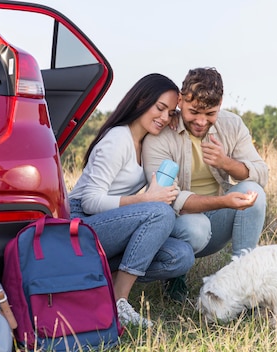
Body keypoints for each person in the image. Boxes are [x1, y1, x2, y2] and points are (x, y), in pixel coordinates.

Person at [68, 73, 194, 328]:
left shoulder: (146, 141)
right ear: (141, 101)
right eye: (160, 108)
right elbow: (91, 201)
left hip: (111, 228)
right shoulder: (118, 139)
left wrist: (176, 117)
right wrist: (144, 199)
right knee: (160, 213)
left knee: (181, 256)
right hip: (80, 224)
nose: (164, 117)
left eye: (170, 113)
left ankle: (99, 284)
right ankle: (118, 300)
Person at [141, 67, 268, 299]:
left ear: (220, 105)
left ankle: (243, 279)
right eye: (194, 112)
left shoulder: (232, 124)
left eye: (210, 113)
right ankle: (175, 275)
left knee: (254, 191)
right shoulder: (159, 134)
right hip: (178, 224)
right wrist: (224, 201)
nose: (201, 121)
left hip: (218, 218)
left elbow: (261, 173)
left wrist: (226, 163)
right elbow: (168, 198)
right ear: (180, 100)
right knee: (196, 228)